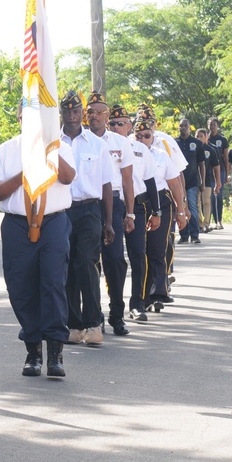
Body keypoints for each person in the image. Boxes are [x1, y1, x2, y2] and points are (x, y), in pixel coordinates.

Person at [0, 101, 76, 377]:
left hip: (53, 221)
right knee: (21, 287)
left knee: (53, 283)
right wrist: (23, 174)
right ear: (17, 119)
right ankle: (32, 349)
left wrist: (49, 147)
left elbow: (68, 176)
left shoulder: (61, 145)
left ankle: (55, 353)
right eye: (25, 117)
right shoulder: (7, 149)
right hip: (17, 224)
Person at [60, 91, 114, 346]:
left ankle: (93, 323)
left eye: (76, 111)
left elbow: (106, 185)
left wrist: (109, 221)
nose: (71, 115)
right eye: (67, 111)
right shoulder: (53, 143)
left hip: (90, 210)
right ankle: (74, 325)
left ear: (83, 113)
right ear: (61, 113)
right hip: (61, 210)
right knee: (67, 266)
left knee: (86, 263)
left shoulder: (97, 144)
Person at [87, 93, 135, 337]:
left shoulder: (119, 142)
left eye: (99, 112)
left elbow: (127, 180)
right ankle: (93, 316)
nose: (94, 116)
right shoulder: (78, 140)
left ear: (107, 115)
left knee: (115, 261)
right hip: (87, 204)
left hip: (114, 204)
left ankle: (117, 314)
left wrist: (130, 213)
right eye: (90, 111)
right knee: (87, 261)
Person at [110, 106, 161, 323]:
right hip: (110, 206)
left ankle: (137, 303)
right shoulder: (102, 145)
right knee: (112, 258)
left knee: (138, 255)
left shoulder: (139, 148)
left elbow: (150, 182)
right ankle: (114, 305)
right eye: (112, 123)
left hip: (137, 208)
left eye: (120, 123)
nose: (115, 127)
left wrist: (157, 211)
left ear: (129, 125)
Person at [134, 117, 186, 314]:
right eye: (138, 136)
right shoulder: (130, 154)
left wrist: (181, 211)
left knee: (157, 249)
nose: (142, 139)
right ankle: (141, 297)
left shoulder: (161, 155)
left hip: (162, 202)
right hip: (139, 202)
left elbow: (174, 184)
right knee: (140, 251)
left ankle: (157, 293)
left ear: (152, 137)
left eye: (146, 136)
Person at [174, 118, 205, 245]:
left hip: (192, 181)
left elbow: (201, 164)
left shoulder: (197, 143)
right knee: (180, 207)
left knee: (192, 206)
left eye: (185, 125)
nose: (183, 128)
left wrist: (202, 182)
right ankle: (184, 235)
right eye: (181, 126)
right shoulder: (174, 142)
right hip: (177, 183)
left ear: (190, 127)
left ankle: (194, 234)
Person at [196, 128, 220, 233]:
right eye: (197, 136)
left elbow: (216, 166)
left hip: (208, 179)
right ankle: (199, 223)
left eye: (201, 136)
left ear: (206, 137)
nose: (199, 138)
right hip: (195, 179)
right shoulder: (193, 148)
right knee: (196, 203)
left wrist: (218, 182)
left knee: (206, 201)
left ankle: (206, 223)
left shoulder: (211, 150)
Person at [207, 116, 229, 229]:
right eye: (210, 124)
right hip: (208, 171)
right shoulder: (205, 138)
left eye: (214, 124)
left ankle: (219, 221)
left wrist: (227, 173)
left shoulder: (223, 140)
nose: (212, 126)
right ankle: (207, 221)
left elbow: (225, 158)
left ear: (217, 126)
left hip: (220, 171)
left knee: (218, 196)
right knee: (209, 197)